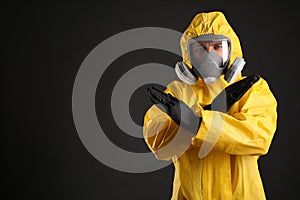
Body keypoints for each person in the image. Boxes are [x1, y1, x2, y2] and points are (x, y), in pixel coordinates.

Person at [143, 11, 277, 200]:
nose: (209, 56)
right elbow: (159, 145)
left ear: (231, 50)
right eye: (200, 49)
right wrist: (204, 117)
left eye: (217, 47)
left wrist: (195, 123)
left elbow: (259, 137)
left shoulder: (252, 91)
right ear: (188, 55)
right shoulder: (176, 93)